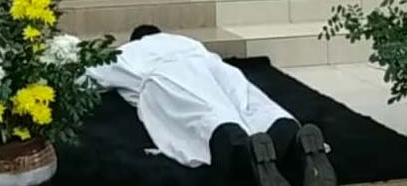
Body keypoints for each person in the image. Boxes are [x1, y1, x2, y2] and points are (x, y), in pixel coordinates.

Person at [86, 25, 337, 186]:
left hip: (169, 77)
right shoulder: (185, 41)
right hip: (217, 70)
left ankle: (245, 155)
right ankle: (292, 136)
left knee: (206, 117)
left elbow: (91, 75)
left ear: (136, 38)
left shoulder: (130, 51)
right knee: (253, 106)